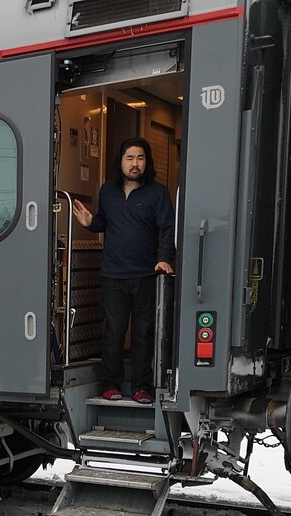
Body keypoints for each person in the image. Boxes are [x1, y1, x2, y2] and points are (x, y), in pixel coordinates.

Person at [72, 136, 175, 404]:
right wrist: (90, 222)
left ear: (147, 162)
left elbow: (169, 228)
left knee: (143, 333)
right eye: (130, 158)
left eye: (140, 158)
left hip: (145, 275)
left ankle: (142, 388)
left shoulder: (157, 193)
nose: (135, 164)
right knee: (114, 333)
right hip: (112, 275)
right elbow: (105, 223)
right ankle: (110, 386)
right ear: (120, 162)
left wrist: (165, 259)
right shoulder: (108, 191)